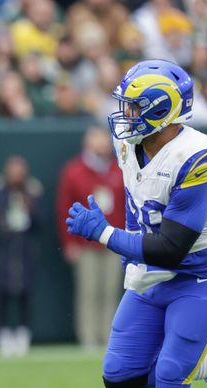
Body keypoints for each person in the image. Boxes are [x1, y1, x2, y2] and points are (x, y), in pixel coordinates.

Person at [66, 59, 207, 388]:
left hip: (200, 276)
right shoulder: (131, 144)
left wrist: (103, 233)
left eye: (134, 106)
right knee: (119, 378)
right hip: (148, 276)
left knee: (169, 383)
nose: (125, 115)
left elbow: (172, 247)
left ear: (160, 111)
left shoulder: (198, 157)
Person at [56, 125, 125, 349]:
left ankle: (108, 337)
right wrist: (69, 243)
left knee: (110, 291)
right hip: (85, 244)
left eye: (104, 140)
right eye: (97, 140)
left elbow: (126, 208)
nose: (102, 145)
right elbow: (64, 208)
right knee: (88, 292)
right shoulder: (74, 171)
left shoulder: (118, 169)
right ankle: (88, 339)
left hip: (113, 242)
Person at [0, 155, 42, 357]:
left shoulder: (32, 192)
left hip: (25, 248)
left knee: (25, 292)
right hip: (4, 248)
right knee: (2, 292)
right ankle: (3, 334)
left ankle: (23, 334)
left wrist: (30, 206)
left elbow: (40, 224)